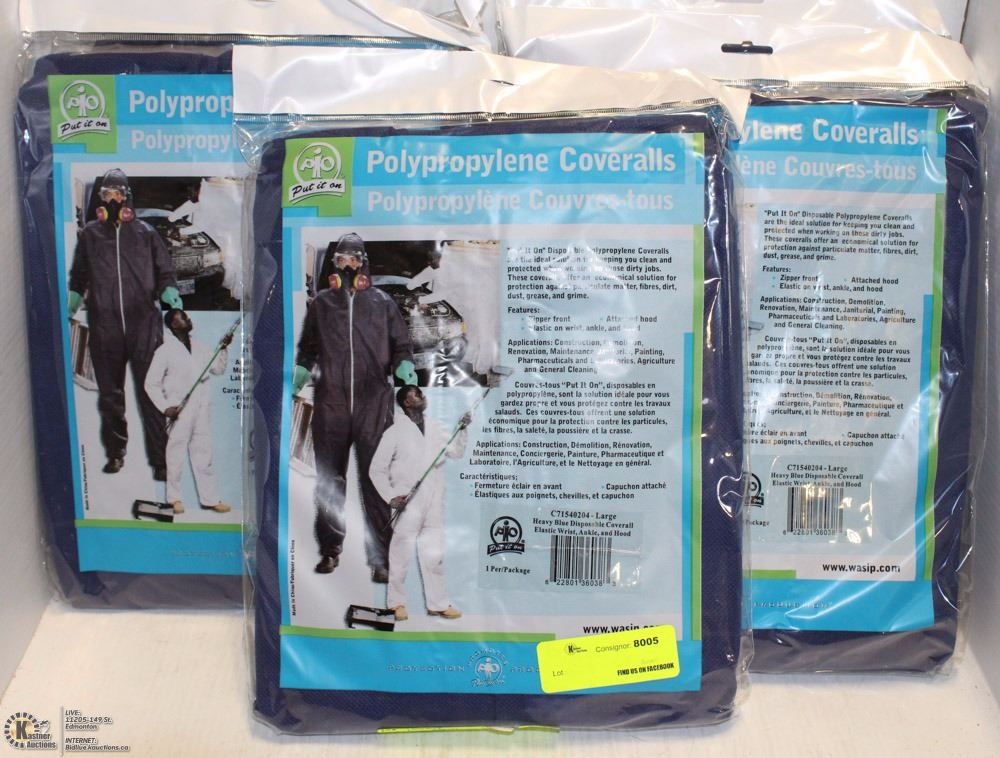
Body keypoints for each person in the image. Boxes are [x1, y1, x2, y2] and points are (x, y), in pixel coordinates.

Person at [294, 233, 417, 582]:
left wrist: (405, 367)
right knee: (328, 482)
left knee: (375, 481)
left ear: (364, 263)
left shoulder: (382, 303)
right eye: (341, 260)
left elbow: (401, 345)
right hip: (330, 403)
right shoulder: (322, 303)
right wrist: (299, 374)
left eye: (353, 259)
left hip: (373, 404)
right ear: (334, 265)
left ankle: (381, 559)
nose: (347, 265)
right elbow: (308, 348)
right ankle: (330, 550)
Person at [68, 169, 183, 479]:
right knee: (110, 396)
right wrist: (72, 303)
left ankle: (161, 460)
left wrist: (171, 299)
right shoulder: (90, 235)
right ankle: (116, 453)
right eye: (107, 195)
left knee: (151, 392)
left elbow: (165, 273)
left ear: (127, 198)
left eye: (117, 194)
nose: (112, 200)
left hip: (144, 326)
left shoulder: (146, 234)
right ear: (100, 200)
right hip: (104, 327)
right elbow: (79, 277)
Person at [370, 386, 470, 622]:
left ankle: (438, 604)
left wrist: (462, 429)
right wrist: (390, 497)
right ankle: (396, 604)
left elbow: (456, 452)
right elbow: (376, 469)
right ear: (406, 402)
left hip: (434, 501)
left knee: (434, 555)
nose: (423, 397)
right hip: (407, 502)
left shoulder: (434, 426)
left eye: (421, 394)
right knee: (401, 555)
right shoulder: (394, 432)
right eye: (417, 394)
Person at [144, 309, 232, 515]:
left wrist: (223, 348)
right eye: (183, 318)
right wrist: (165, 407)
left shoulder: (200, 347)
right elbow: (150, 383)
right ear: (173, 325)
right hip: (179, 410)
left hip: (202, 408)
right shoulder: (165, 351)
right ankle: (174, 499)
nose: (188, 319)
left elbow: (218, 369)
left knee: (204, 454)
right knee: (175, 455)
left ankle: (210, 499)